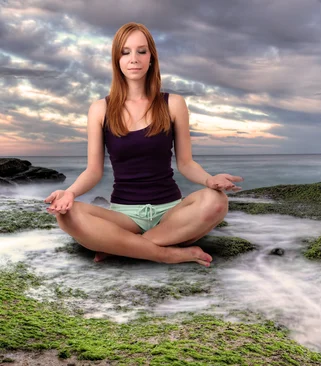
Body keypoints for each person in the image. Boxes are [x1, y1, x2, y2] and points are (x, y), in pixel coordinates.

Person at [44, 22, 243, 267]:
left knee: (217, 200)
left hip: (171, 212)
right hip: (124, 216)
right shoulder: (100, 109)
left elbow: (186, 163)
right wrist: (70, 193)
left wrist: (209, 180)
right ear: (117, 60)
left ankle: (122, 247)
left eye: (141, 51)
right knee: (67, 215)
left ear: (152, 57)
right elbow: (94, 171)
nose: (134, 59)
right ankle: (167, 253)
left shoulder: (174, 104)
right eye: (125, 52)